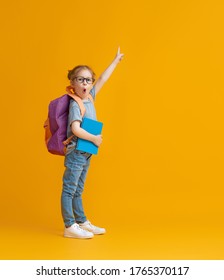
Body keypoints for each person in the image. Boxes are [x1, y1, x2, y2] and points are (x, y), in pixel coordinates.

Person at [61, 47, 124, 239]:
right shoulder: (75, 103)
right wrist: (95, 138)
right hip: (76, 151)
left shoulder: (89, 98)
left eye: (88, 79)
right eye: (80, 79)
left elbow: (103, 79)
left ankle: (81, 221)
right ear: (73, 82)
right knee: (70, 189)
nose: (85, 83)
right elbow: (76, 129)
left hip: (86, 151)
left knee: (79, 189)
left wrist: (115, 61)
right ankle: (69, 225)